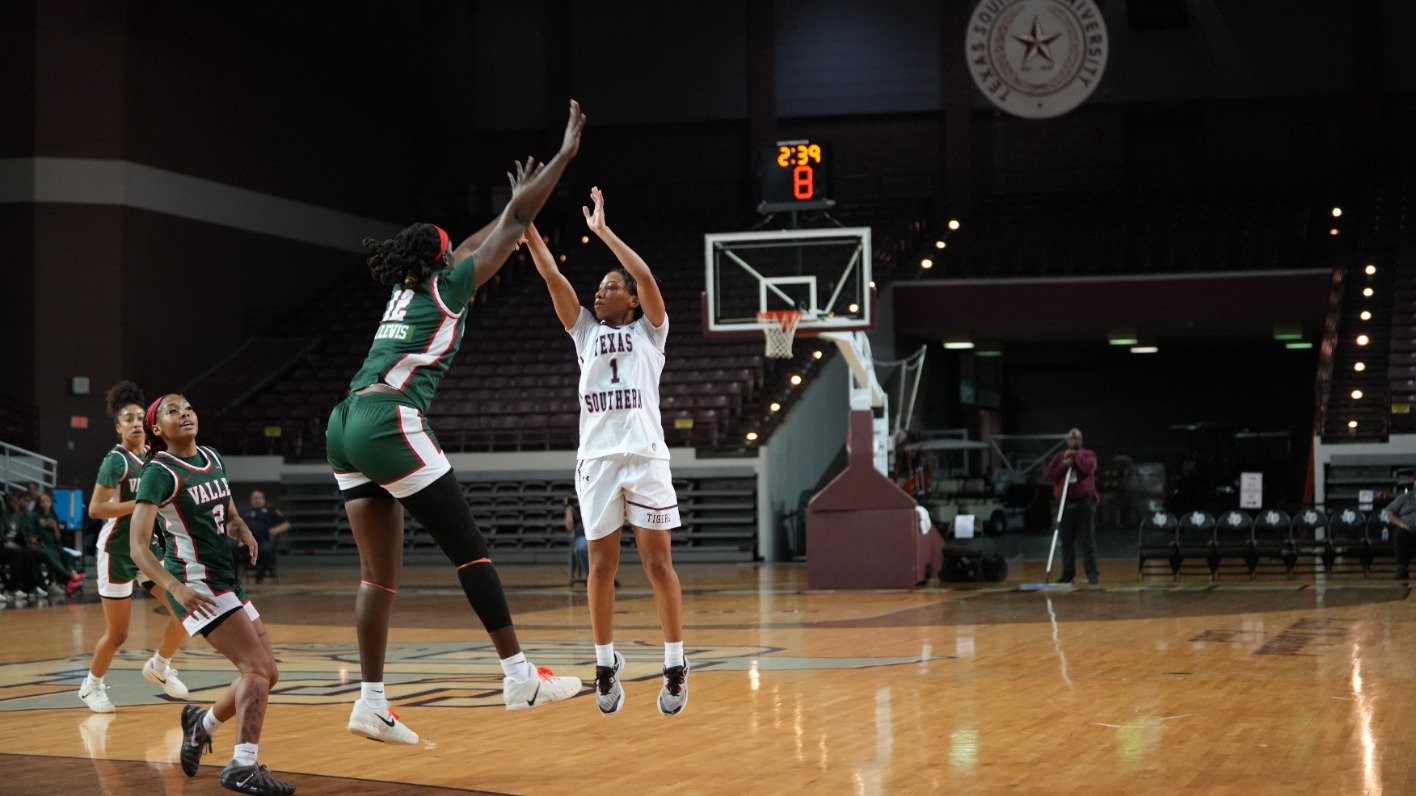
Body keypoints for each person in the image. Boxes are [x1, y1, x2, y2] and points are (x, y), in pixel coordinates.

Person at [324, 100, 587, 745]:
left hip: (342, 421)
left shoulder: (409, 287)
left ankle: (371, 701)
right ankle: (519, 673)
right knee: (470, 551)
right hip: (390, 419)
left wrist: (509, 205)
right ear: (444, 263)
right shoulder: (448, 289)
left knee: (377, 575)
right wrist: (563, 157)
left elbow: (486, 236)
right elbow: (515, 225)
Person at [525, 186, 690, 717]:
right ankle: (603, 663)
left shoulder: (652, 332)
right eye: (598, 287)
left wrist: (602, 233)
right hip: (596, 460)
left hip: (645, 457)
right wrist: (526, 228)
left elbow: (645, 276)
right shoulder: (583, 334)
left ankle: (675, 663)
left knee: (657, 564)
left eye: (609, 286)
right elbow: (554, 277)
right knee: (600, 566)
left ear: (633, 299)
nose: (600, 293)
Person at [129, 393, 294, 795]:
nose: (185, 414)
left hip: (225, 578)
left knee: (267, 674)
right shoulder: (160, 471)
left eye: (188, 408)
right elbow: (137, 546)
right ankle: (241, 766)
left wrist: (241, 526)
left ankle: (200, 725)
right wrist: (174, 588)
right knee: (255, 669)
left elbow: (228, 508)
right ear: (157, 428)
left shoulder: (212, 457)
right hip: (196, 584)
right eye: (173, 411)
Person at [78, 381, 191, 714]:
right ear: (118, 427)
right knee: (118, 634)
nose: (135, 423)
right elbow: (96, 509)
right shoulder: (116, 462)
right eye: (128, 418)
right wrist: (141, 504)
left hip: (147, 549)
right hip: (117, 551)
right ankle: (91, 686)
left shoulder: (155, 458)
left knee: (183, 612)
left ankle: (159, 666)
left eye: (140, 417)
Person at [1043, 428, 1100, 585]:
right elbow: (1049, 474)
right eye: (1071, 439)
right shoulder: (1059, 456)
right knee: (1066, 541)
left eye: (1076, 439)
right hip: (1064, 504)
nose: (1073, 441)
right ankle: (1067, 574)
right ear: (1067, 441)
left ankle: (1092, 574)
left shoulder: (1088, 455)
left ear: (1081, 441)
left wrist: (1076, 458)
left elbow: (1089, 468)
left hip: (1084, 503)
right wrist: (1063, 465)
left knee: (1087, 539)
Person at [24, 491, 84, 595]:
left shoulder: (53, 516)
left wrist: (55, 527)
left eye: (47, 501)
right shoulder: (33, 516)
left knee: (67, 555)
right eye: (42, 501)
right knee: (51, 555)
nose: (44, 503)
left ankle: (66, 583)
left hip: (52, 545)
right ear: (38, 503)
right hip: (41, 547)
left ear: (51, 503)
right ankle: (70, 576)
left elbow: (58, 538)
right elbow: (32, 537)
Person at [238, 491, 289, 583]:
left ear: (263, 499)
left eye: (259, 498)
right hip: (248, 542)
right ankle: (234, 579)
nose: (257, 500)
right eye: (254, 498)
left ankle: (260, 576)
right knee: (231, 550)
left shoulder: (270, 511)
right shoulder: (246, 512)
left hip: (263, 540)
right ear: (251, 500)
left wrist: (275, 530)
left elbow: (286, 524)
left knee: (267, 551)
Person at [1381, 469, 1416, 580]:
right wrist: (1401, 524)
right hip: (1408, 530)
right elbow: (1389, 511)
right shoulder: (1405, 498)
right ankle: (1402, 569)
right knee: (1399, 534)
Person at [565, 496, 588, 584]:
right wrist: (568, 511)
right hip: (581, 536)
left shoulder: (591, 505)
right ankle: (589, 573)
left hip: (595, 535)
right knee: (581, 548)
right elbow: (569, 527)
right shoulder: (574, 511)